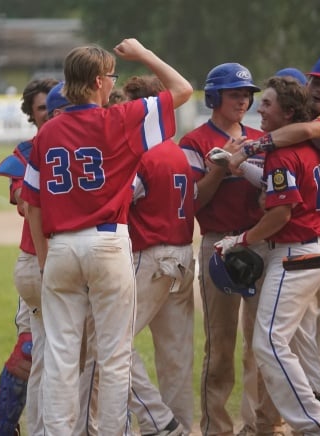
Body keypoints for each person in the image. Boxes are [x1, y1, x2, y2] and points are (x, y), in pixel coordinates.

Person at [21, 39, 192, 435]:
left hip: (61, 247)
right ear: (99, 82)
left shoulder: (46, 134)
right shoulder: (122, 119)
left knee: (62, 357)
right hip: (107, 242)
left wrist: (46, 259)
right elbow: (182, 89)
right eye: (111, 76)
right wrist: (145, 54)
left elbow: (33, 205)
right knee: (114, 357)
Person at [216, 55, 320, 419]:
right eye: (315, 82)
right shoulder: (301, 143)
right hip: (318, 239)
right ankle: (318, 417)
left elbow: (282, 202)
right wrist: (237, 163)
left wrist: (250, 149)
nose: (317, 89)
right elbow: (278, 183)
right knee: (304, 338)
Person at [179, 62, 283, 436]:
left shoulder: (261, 137)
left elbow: (273, 196)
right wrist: (222, 165)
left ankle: (260, 426)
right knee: (220, 345)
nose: (243, 100)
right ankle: (217, 428)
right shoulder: (193, 142)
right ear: (213, 98)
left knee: (263, 343)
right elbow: (194, 202)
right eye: (234, 93)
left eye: (246, 94)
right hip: (218, 244)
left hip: (260, 242)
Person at [124, 74, 195, 435]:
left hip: (152, 256)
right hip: (183, 254)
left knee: (112, 342)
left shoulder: (142, 153)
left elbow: (119, 203)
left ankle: (160, 423)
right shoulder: (176, 149)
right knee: (176, 355)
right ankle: (181, 424)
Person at [0, 77, 58, 436]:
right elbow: (22, 199)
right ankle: (3, 426)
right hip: (37, 257)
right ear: (32, 115)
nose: (49, 113)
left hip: (75, 260)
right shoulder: (25, 153)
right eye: (42, 107)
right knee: (30, 347)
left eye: (54, 105)